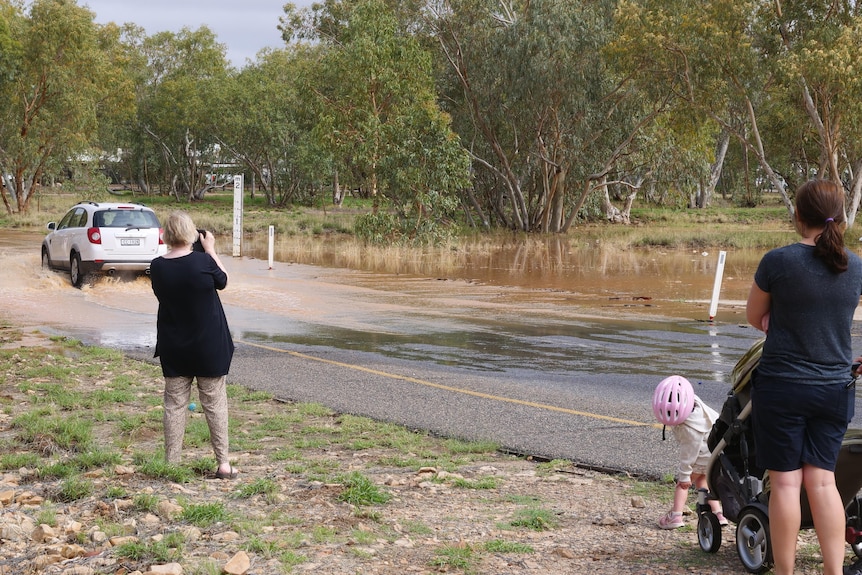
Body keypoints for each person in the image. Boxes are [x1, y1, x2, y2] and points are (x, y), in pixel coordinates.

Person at [746, 179, 862, 575]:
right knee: (824, 483)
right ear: (841, 217)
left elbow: (751, 316)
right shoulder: (855, 265)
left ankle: (786, 572)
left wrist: (777, 322)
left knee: (785, 485)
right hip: (834, 389)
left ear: (798, 217)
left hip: (782, 387)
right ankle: (833, 571)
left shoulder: (777, 262)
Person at [150, 211, 238, 480]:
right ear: (191, 235)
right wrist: (210, 249)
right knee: (214, 404)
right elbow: (222, 280)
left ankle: (171, 464)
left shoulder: (157, 266)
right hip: (209, 346)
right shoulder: (203, 261)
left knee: (174, 405)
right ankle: (223, 464)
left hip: (174, 346)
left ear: (165, 234)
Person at [652, 374, 726, 529]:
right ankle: (718, 513)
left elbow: (689, 455)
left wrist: (685, 475)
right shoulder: (698, 406)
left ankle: (676, 516)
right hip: (713, 456)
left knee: (682, 485)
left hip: (700, 459)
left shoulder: (689, 429)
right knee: (704, 483)